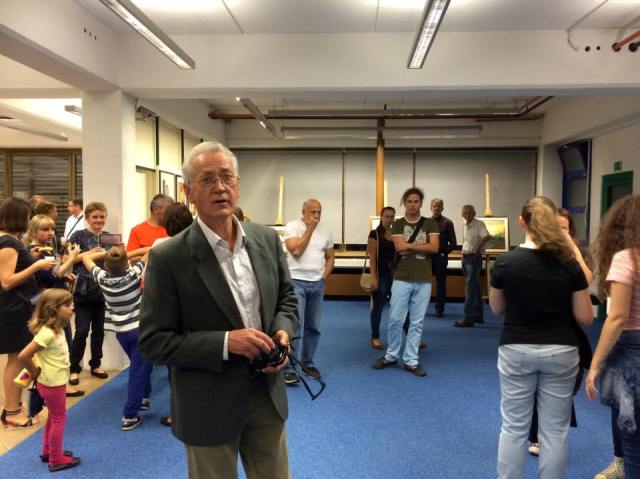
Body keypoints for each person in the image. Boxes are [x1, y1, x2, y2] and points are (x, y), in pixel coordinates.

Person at [138, 141, 298, 479]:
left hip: (266, 395)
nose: (220, 187)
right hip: (207, 403)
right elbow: (154, 342)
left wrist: (283, 332)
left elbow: (287, 298)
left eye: (227, 177)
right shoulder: (168, 258)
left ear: (237, 185)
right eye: (207, 179)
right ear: (188, 192)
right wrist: (226, 343)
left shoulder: (267, 240)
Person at [490, 196, 593, 479]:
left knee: (513, 428)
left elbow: (497, 308)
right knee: (554, 432)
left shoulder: (505, 262)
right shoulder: (568, 264)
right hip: (561, 350)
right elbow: (586, 318)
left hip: (516, 348)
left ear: (521, 222)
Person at [528, 207, 594, 456]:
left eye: (565, 229)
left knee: (563, 390)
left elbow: (587, 280)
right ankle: (540, 435)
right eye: (556, 228)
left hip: (570, 331)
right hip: (540, 329)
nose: (560, 233)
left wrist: (571, 246)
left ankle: (552, 431)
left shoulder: (576, 256)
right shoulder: (537, 256)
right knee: (540, 387)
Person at [586, 194, 640, 479]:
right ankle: (620, 467)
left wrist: (595, 364)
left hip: (631, 352)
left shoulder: (626, 258)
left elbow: (617, 317)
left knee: (632, 435)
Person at [0, 197, 55, 429]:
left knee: (22, 358)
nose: (28, 220)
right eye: (26, 216)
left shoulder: (11, 240)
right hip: (14, 308)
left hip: (20, 306)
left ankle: (15, 405)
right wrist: (36, 265)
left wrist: (30, 258)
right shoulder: (7, 243)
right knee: (17, 358)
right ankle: (12, 410)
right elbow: (6, 281)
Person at [372, 187, 439, 377]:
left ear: (421, 203)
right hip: (401, 277)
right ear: (405, 203)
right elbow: (400, 250)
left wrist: (409, 246)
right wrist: (421, 247)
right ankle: (391, 355)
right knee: (396, 319)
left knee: (417, 322)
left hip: (424, 278)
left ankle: (411, 360)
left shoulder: (430, 224)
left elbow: (435, 248)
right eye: (409, 201)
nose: (412, 205)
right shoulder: (398, 224)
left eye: (416, 201)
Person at [83, 245, 151, 431]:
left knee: (140, 366)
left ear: (105, 265)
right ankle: (129, 415)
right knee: (138, 371)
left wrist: (108, 254)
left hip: (122, 333)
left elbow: (86, 259)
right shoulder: (134, 274)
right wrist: (124, 255)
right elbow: (148, 252)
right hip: (140, 330)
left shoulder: (102, 278)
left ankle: (143, 397)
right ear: (127, 263)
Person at [17, 288, 81, 472]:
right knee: (59, 418)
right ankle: (56, 459)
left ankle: (48, 452)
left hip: (54, 381)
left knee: (54, 417)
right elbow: (23, 355)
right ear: (53, 309)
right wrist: (34, 372)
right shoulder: (47, 333)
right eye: (67, 305)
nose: (71, 308)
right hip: (52, 384)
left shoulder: (57, 329)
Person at [24, 214, 84, 399]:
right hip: (50, 305)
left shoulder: (47, 250)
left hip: (56, 300)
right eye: (45, 229)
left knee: (63, 344)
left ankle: (59, 384)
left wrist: (65, 275)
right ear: (34, 231)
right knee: (59, 346)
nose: (50, 233)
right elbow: (50, 277)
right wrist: (72, 259)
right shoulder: (35, 252)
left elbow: (54, 273)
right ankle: (55, 385)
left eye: (52, 229)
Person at [150, 202, 194, 428]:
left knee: (175, 369)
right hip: (197, 313)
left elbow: (151, 284)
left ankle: (178, 414)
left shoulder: (160, 246)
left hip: (172, 315)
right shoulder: (201, 244)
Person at [283, 199, 335, 384]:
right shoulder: (292, 227)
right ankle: (289, 367)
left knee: (313, 326)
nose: (316, 216)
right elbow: (296, 250)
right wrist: (310, 229)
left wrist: (324, 276)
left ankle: (307, 363)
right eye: (313, 212)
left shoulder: (326, 231)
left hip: (317, 284)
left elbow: (330, 257)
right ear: (303, 212)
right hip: (296, 283)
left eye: (319, 212)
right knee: (295, 326)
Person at [68, 202, 111, 385]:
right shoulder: (78, 235)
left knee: (99, 330)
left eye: (102, 217)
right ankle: (74, 368)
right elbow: (68, 259)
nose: (99, 220)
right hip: (83, 290)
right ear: (87, 218)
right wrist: (92, 252)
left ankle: (96, 364)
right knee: (82, 330)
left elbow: (112, 261)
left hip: (103, 289)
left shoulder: (109, 237)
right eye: (95, 217)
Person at [455, 204, 491, 328]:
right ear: (462, 214)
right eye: (465, 213)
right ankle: (478, 316)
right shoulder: (465, 225)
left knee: (470, 289)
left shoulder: (479, 224)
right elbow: (467, 242)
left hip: (473, 258)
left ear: (474, 213)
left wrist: (477, 248)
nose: (467, 215)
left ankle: (468, 318)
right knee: (475, 288)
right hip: (465, 257)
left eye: (470, 213)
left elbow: (487, 236)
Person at [367, 206, 396, 350]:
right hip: (380, 275)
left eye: (391, 217)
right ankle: (375, 337)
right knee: (378, 307)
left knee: (401, 307)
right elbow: (372, 257)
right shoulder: (375, 234)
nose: (389, 219)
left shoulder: (396, 234)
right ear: (381, 217)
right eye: (386, 216)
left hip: (396, 275)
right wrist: (374, 277)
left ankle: (412, 338)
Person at [430, 198, 457, 317]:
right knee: (422, 284)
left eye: (438, 206)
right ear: (431, 208)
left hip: (440, 258)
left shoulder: (448, 223)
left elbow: (453, 243)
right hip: (427, 257)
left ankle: (439, 309)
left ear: (442, 208)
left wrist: (443, 253)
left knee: (440, 284)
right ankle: (420, 308)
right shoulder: (426, 222)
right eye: (434, 206)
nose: (436, 208)